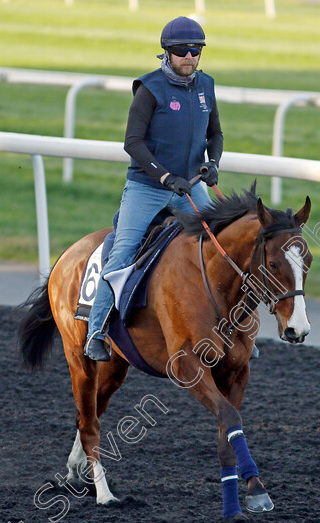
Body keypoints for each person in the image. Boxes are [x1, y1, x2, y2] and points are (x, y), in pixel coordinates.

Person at [84, 16, 222, 361]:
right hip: (147, 188)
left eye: (196, 50)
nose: (189, 57)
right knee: (123, 252)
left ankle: (232, 330)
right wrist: (164, 177)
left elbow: (215, 134)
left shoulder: (206, 86)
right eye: (182, 50)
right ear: (167, 53)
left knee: (223, 246)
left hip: (190, 187)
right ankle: (96, 330)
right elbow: (133, 143)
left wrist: (213, 162)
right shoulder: (148, 89)